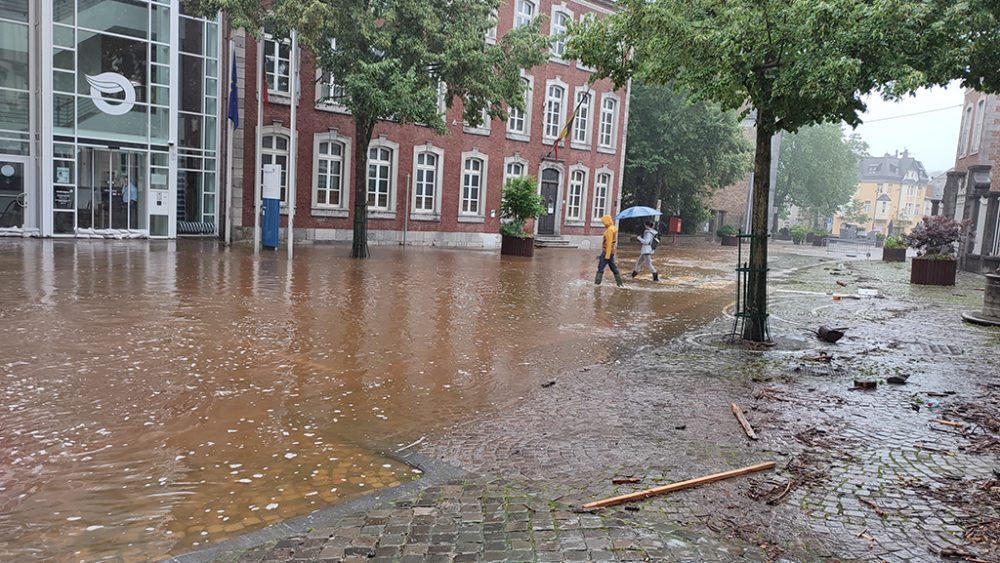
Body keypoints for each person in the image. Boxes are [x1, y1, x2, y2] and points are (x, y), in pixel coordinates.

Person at [595, 214, 624, 287]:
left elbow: (609, 242)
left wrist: (606, 255)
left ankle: (596, 285)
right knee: (613, 268)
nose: (603, 224)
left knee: (600, 267)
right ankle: (620, 284)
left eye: (604, 222)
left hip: (607, 252)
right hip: (609, 252)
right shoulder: (612, 228)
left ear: (607, 222)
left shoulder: (610, 230)